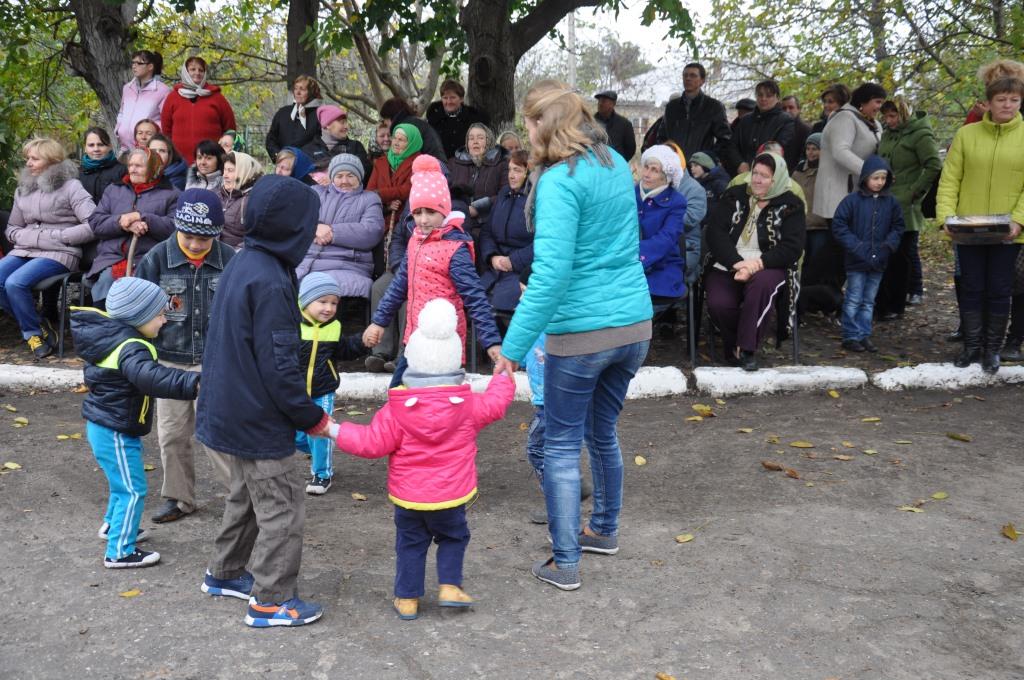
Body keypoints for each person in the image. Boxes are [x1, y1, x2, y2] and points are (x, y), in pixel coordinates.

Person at [492, 81, 652, 591]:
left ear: (546, 124)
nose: (526, 133)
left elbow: (551, 275)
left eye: (529, 122)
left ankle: (565, 562)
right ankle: (603, 530)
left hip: (583, 334)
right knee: (602, 432)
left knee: (560, 445)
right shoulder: (614, 164)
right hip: (633, 325)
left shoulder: (560, 181)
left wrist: (512, 347)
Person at [196, 174, 333, 627]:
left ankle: (224, 572)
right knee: (282, 505)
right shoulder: (272, 281)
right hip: (257, 415)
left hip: (228, 408)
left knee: (246, 494)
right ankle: (272, 600)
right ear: (293, 226)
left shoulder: (243, 261)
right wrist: (310, 416)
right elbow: (280, 365)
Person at [330, 298, 513, 620]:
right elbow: (496, 404)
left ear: (412, 360)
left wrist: (334, 429)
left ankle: (407, 598)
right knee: (454, 536)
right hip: (452, 495)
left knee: (410, 542)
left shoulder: (396, 410)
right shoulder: (468, 405)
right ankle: (450, 586)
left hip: (409, 497)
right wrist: (503, 376)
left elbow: (370, 443)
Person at [71, 277, 201, 568]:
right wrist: (194, 382)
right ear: (138, 316)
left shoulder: (113, 338)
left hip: (109, 425)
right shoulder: (131, 347)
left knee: (121, 484)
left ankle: (113, 527)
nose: (164, 320)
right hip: (114, 429)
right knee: (132, 489)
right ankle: (119, 551)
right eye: (159, 315)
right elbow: (151, 377)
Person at [133, 188, 235, 524]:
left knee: (219, 434)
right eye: (188, 236)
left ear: (217, 233)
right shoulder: (156, 259)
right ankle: (179, 498)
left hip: (215, 362)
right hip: (169, 362)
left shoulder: (231, 260)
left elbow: (242, 310)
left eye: (203, 239)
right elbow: (138, 313)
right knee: (172, 434)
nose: (194, 244)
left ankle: (240, 499)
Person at [366, 155, 503, 385]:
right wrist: (379, 321)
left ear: (445, 210)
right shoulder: (415, 240)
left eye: (430, 212)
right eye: (417, 212)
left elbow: (475, 297)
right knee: (398, 393)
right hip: (414, 339)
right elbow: (399, 286)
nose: (423, 220)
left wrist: (491, 341)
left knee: (436, 400)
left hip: (442, 346)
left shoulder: (455, 248)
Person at [936, 76, 1024, 374]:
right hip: (968, 230)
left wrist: (1018, 220)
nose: (1007, 105)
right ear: (988, 102)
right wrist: (946, 218)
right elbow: (950, 179)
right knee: (972, 287)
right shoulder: (967, 134)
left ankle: (992, 350)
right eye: (1001, 99)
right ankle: (971, 347)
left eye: (1014, 100)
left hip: (1008, 232)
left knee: (1000, 289)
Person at [704, 151, 805, 371]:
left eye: (765, 176)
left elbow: (792, 247)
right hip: (729, 261)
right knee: (719, 304)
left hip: (770, 265)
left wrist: (756, 264)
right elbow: (715, 233)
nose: (757, 180)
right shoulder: (734, 196)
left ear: (776, 179)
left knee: (761, 287)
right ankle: (735, 345)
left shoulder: (791, 205)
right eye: (755, 173)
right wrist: (737, 263)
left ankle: (746, 349)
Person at [3, 137, 96, 358]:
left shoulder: (72, 187)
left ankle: (32, 333)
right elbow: (12, 228)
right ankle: (39, 324)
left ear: (52, 160)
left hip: (60, 252)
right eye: (28, 158)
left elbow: (94, 224)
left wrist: (61, 236)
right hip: (25, 250)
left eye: (35, 158)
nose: (28, 163)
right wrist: (27, 236)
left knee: (15, 283)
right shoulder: (23, 189)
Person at [294, 273, 368, 496]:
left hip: (323, 390)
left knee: (319, 431)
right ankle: (322, 448)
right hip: (295, 391)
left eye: (334, 303)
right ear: (306, 300)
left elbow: (345, 350)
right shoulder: (291, 325)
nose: (328, 308)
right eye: (322, 301)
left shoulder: (334, 327)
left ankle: (322, 474)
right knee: (295, 436)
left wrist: (362, 342)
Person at [875, 98, 942, 319]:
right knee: (885, 255)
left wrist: (914, 192)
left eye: (893, 116)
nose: (889, 120)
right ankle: (882, 304)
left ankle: (896, 305)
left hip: (906, 204)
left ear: (903, 114)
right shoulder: (887, 134)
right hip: (884, 200)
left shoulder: (920, 134)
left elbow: (933, 165)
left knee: (901, 256)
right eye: (886, 116)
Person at [831, 156, 904, 353]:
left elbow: (898, 227)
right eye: (875, 178)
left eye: (883, 178)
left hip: (879, 260)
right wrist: (856, 246)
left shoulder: (891, 203)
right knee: (854, 297)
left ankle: (864, 334)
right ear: (865, 178)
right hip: (856, 260)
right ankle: (850, 335)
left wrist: (887, 247)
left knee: (869, 299)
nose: (879, 182)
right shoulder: (852, 201)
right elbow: (839, 225)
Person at [87, 148, 178, 304]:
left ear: (153, 168)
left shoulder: (171, 194)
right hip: (112, 259)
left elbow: (175, 228)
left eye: (139, 166)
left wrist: (143, 218)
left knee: (139, 299)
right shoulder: (114, 190)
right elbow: (95, 222)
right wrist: (121, 222)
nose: (132, 170)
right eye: (130, 165)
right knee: (106, 291)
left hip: (149, 260)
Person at [296, 154, 385, 299]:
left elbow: (372, 231)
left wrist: (332, 232)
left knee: (320, 288)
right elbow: (296, 219)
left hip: (347, 265)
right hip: (305, 262)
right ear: (332, 177)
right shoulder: (315, 193)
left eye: (350, 176)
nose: (344, 181)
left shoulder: (369, 199)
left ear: (359, 177)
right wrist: (315, 227)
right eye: (339, 176)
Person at [814, 82, 885, 224]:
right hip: (838, 196)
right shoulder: (844, 118)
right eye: (877, 102)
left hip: (861, 194)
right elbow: (840, 151)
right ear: (864, 100)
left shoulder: (875, 124)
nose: (880, 107)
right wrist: (870, 172)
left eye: (881, 103)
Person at [478, 150, 533, 313]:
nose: (511, 175)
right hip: (495, 269)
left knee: (502, 311)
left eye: (517, 170)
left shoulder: (536, 200)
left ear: (528, 173)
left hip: (522, 271)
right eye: (509, 170)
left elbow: (544, 242)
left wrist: (513, 261)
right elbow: (487, 231)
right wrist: (492, 256)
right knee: (476, 304)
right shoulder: (504, 194)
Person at [636, 145, 688, 311]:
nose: (647, 174)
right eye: (646, 167)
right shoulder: (630, 193)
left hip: (662, 265)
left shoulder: (676, 202)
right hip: (625, 259)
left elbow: (666, 238)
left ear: (666, 177)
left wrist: (636, 257)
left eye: (654, 170)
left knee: (638, 297)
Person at [656, 63, 736, 170]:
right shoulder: (672, 107)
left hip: (700, 169)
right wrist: (667, 155)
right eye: (685, 75)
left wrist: (709, 158)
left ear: (702, 81)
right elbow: (661, 137)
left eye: (693, 75)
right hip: (673, 166)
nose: (688, 78)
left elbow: (725, 139)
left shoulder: (713, 107)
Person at [160, 56, 237, 163]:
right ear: (186, 72)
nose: (197, 73)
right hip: (179, 161)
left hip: (211, 160)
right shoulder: (173, 97)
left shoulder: (217, 97)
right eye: (193, 69)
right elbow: (166, 131)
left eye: (201, 70)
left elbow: (230, 128)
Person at [447, 123, 509, 234]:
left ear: (489, 141)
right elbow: (445, 192)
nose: (475, 141)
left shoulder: (502, 164)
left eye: (480, 138)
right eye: (471, 138)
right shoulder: (453, 164)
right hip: (456, 223)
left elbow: (506, 193)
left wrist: (479, 207)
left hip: (489, 224)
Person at [732, 80, 796, 173]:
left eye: (768, 96)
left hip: (769, 172)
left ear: (777, 98)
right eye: (760, 95)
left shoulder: (786, 121)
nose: (763, 99)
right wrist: (739, 163)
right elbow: (732, 146)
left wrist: (759, 167)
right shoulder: (745, 120)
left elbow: (779, 148)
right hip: (742, 171)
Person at [115, 50, 171, 154]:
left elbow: (166, 121)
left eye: (139, 63)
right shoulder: (127, 88)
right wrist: (119, 130)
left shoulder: (162, 90)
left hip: (148, 150)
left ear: (150, 67)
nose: (134, 66)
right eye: (133, 62)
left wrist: (152, 135)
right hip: (125, 149)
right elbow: (121, 112)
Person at [367, 123, 423, 225]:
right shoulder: (381, 162)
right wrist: (387, 206)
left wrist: (380, 193)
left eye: (401, 140)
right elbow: (369, 192)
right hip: (379, 218)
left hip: (407, 220)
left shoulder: (419, 162)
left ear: (412, 143)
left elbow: (408, 189)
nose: (396, 143)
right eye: (394, 138)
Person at [425, 79, 491, 160]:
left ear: (461, 99)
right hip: (440, 162)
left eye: (453, 97)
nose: (449, 102)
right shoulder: (434, 118)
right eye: (445, 98)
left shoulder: (473, 118)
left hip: (466, 163)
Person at [303, 104, 371, 182]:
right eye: (342, 122)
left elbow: (364, 173)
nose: (347, 127)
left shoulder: (355, 147)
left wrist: (333, 178)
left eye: (346, 122)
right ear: (327, 125)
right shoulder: (308, 151)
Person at [790, 133, 830, 259]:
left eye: (815, 149)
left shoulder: (829, 171)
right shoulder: (798, 170)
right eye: (808, 149)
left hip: (821, 226)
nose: (810, 152)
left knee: (817, 261)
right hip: (801, 225)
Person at [265, 74, 322, 160]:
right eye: (295, 88)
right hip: (282, 163)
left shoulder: (319, 115)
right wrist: (279, 156)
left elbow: (319, 143)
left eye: (302, 89)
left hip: (309, 164)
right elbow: (271, 139)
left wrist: (298, 158)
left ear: (311, 92)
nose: (298, 92)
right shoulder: (283, 113)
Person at [379, 97, 447, 163]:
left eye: (384, 120)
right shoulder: (415, 122)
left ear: (390, 116)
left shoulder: (404, 128)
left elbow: (403, 158)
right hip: (438, 163)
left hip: (431, 166)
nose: (385, 123)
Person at [218, 151, 262, 249]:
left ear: (244, 172)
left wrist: (235, 254)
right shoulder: (218, 194)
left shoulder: (254, 201)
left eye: (230, 170)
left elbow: (255, 237)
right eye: (225, 170)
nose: (225, 175)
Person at [79, 127, 126, 204]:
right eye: (91, 145)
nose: (96, 149)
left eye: (100, 144)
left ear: (110, 146)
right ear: (85, 148)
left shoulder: (121, 171)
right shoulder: (79, 173)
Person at [593, 90, 636, 162]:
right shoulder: (590, 122)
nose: (600, 104)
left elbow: (630, 149)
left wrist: (620, 162)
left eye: (603, 101)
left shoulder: (624, 124)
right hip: (595, 163)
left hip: (616, 164)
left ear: (613, 104)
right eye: (599, 101)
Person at [781, 95, 811, 170]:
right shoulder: (777, 128)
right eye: (784, 108)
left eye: (791, 107)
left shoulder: (806, 130)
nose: (787, 111)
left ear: (798, 109)